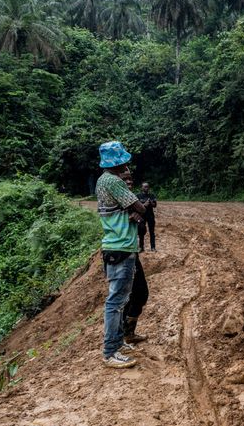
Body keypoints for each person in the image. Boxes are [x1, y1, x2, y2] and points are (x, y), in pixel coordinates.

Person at [96, 141, 146, 369]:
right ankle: (110, 351)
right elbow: (140, 207)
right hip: (121, 246)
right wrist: (135, 209)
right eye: (124, 160)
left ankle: (117, 343)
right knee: (116, 301)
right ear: (119, 162)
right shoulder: (114, 181)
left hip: (116, 245)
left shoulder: (103, 180)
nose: (127, 164)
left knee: (120, 299)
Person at [120, 173, 149, 345]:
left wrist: (138, 221)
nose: (129, 182)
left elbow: (142, 229)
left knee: (139, 294)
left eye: (131, 179)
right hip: (122, 253)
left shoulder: (132, 203)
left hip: (132, 251)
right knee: (130, 295)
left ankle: (127, 333)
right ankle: (121, 335)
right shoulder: (117, 205)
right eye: (125, 180)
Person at [136, 182, 157, 252]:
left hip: (150, 216)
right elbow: (136, 206)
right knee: (141, 232)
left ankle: (153, 247)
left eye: (147, 187)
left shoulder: (152, 195)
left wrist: (151, 203)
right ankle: (141, 247)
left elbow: (155, 205)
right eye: (145, 187)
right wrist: (144, 204)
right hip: (142, 216)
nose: (146, 188)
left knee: (152, 232)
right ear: (141, 188)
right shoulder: (138, 196)